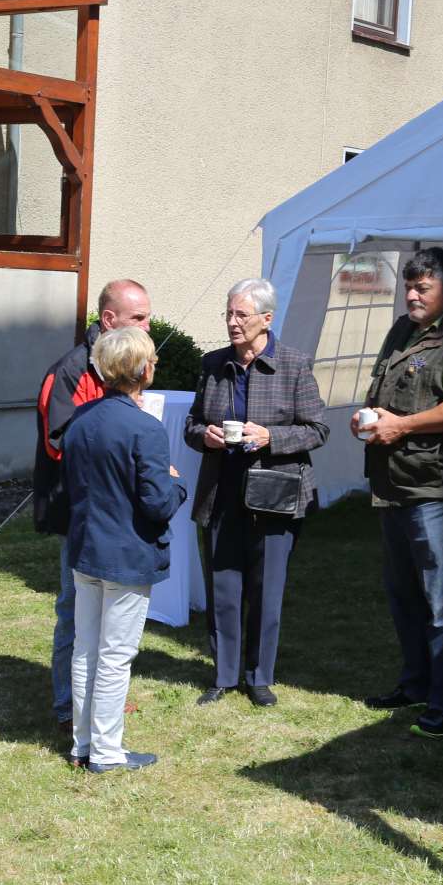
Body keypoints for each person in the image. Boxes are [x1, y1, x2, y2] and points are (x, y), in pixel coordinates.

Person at [351, 246, 443, 739]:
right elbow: (385, 392)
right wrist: (370, 419)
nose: (412, 295)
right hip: (396, 483)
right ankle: (415, 684)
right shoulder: (402, 331)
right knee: (405, 596)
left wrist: (401, 426)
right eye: (409, 286)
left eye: (423, 288)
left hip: (441, 491)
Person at [185, 279, 329, 708]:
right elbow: (192, 423)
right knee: (223, 587)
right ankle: (224, 675)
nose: (232, 322)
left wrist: (271, 436)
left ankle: (259, 676)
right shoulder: (213, 364)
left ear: (267, 319)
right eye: (228, 313)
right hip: (222, 491)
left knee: (267, 589)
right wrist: (204, 436)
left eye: (240, 315)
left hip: (275, 494)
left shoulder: (294, 365)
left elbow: (318, 429)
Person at [62, 327, 188, 772]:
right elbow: (157, 504)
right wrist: (177, 484)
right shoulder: (144, 428)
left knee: (87, 650)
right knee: (114, 656)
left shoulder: (80, 419)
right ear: (142, 369)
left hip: (85, 549)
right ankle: (108, 752)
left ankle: (83, 743)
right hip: (126, 555)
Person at [32, 279, 151, 732]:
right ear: (109, 320)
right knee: (74, 607)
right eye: (138, 318)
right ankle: (67, 707)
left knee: (109, 614)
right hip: (78, 512)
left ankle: (102, 701)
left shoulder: (126, 364)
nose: (147, 326)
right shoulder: (70, 370)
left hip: (114, 510)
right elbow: (60, 441)